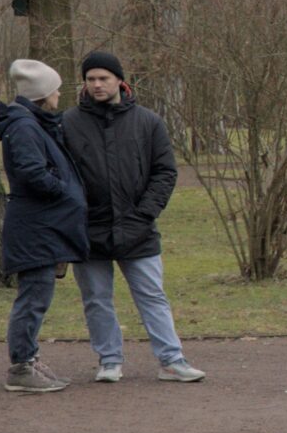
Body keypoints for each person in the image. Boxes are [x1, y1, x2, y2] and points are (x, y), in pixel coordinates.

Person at [62, 49, 203, 384]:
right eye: (91, 79)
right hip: (89, 230)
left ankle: (172, 360)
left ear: (119, 81)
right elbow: (61, 175)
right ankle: (109, 360)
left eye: (104, 78)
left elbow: (164, 172)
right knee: (96, 300)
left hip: (139, 228)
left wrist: (144, 214)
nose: (97, 84)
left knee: (152, 296)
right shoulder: (68, 123)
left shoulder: (148, 122)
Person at [0, 59, 87, 394]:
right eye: (55, 90)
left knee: (38, 297)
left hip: (41, 226)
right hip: (34, 229)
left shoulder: (32, 123)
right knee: (33, 298)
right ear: (43, 94)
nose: (59, 95)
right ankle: (21, 366)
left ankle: (29, 358)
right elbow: (32, 172)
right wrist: (63, 190)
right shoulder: (24, 127)